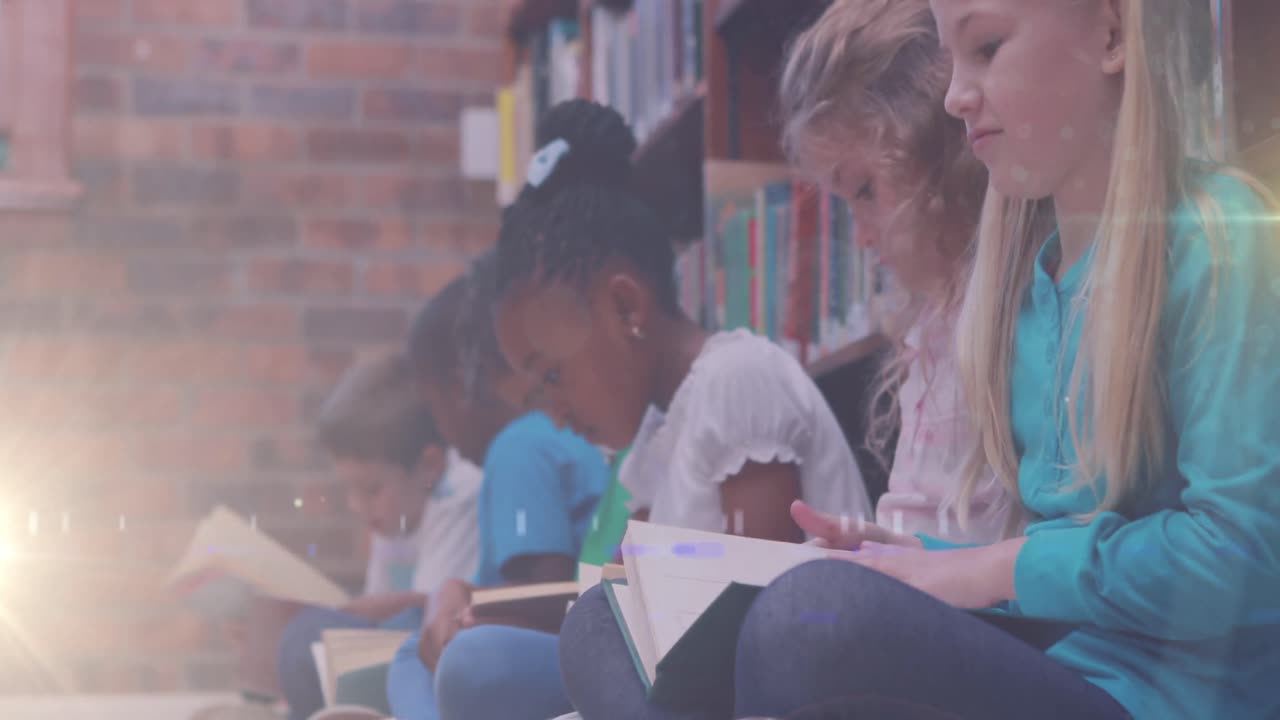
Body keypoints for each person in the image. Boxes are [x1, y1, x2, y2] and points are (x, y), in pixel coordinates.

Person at [733, 0, 1280, 718]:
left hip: (1174, 701)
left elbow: (1245, 559)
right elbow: (1051, 570)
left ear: (1113, 34)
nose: (956, 95)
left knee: (807, 621)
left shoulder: (1223, 239)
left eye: (986, 47)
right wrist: (913, 561)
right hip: (1065, 665)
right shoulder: (1026, 288)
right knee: (615, 633)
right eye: (951, 60)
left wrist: (994, 567)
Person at [777, 0, 1011, 543]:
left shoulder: (1014, 313)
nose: (860, 237)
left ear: (939, 150)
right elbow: (925, 528)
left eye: (865, 191)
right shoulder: (929, 330)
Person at [385, 251, 608, 720]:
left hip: (571, 649)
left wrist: (469, 614)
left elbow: (544, 591)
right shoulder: (563, 435)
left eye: (433, 406)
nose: (441, 433)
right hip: (589, 639)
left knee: (414, 656)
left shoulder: (517, 448)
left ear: (457, 386)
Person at [276, 353, 482, 720]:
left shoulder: (459, 498)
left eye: (371, 490)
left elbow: (430, 616)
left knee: (309, 637)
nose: (357, 505)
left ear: (429, 467)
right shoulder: (396, 512)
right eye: (350, 490)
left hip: (437, 666)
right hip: (398, 652)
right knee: (304, 641)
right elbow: (379, 603)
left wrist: (348, 612)